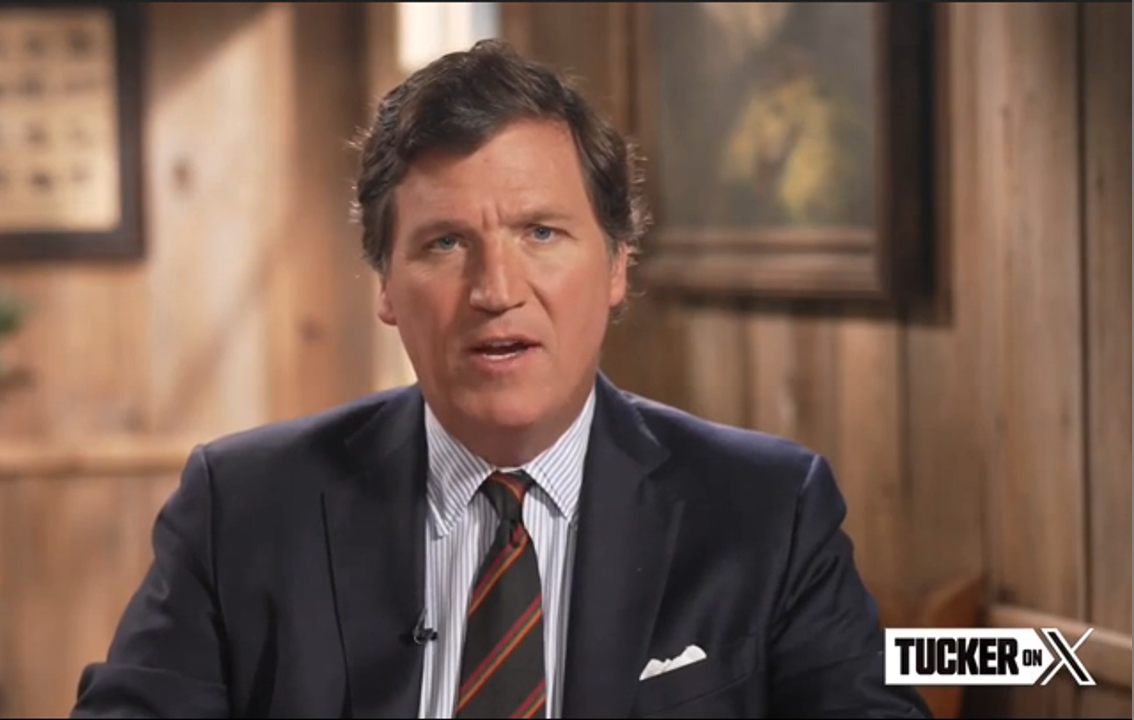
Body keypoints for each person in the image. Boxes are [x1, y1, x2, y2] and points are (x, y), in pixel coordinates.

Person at [71, 40, 931, 719]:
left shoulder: (767, 510)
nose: (496, 290)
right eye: (446, 243)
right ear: (385, 287)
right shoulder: (242, 509)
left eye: (541, 234)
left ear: (617, 266)